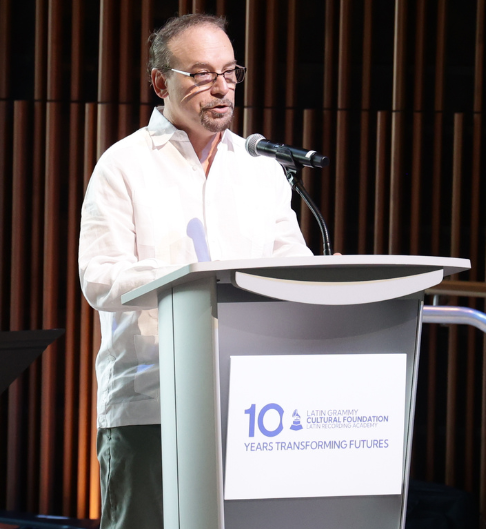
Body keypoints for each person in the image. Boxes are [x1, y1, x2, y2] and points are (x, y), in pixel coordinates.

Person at [77, 13, 313, 529]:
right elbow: (99, 277)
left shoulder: (260, 168)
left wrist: (322, 278)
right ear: (161, 82)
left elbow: (292, 269)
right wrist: (188, 277)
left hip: (253, 408)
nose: (222, 88)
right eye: (202, 74)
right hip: (152, 403)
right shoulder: (124, 165)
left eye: (230, 73)